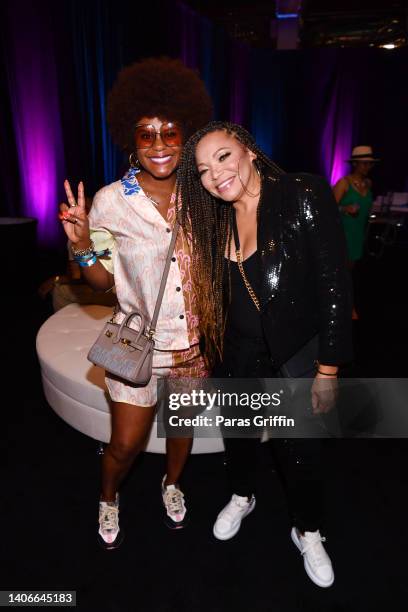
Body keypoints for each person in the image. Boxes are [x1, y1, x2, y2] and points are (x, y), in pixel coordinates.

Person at [176, 121, 353, 588]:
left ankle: (308, 531)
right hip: (237, 356)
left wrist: (328, 369)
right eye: (203, 169)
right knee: (238, 439)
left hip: (294, 356)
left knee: (301, 455)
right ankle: (242, 495)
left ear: (249, 151)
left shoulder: (301, 193)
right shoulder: (214, 219)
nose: (215, 174)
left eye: (223, 157)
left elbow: (335, 285)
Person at [59, 57, 212, 550]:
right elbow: (101, 281)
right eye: (146, 134)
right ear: (131, 139)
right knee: (124, 444)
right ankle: (109, 495)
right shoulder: (110, 201)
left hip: (194, 344)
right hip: (136, 344)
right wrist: (81, 242)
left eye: (170, 131)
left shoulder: (207, 193)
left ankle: (172, 484)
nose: (160, 144)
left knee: (181, 431)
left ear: (186, 134)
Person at [39, 196, 117, 311]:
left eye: (88, 208)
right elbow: (76, 276)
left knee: (58, 292)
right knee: (60, 291)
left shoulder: (113, 228)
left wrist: (57, 279)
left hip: (119, 291)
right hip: (109, 289)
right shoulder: (75, 237)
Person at [332, 145, 379, 319]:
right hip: (344, 234)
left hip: (358, 234)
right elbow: (328, 209)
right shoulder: (344, 183)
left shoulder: (368, 183)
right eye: (364, 163)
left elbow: (366, 209)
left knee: (349, 273)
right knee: (344, 273)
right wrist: (344, 209)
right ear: (355, 164)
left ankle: (342, 306)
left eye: (370, 164)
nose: (367, 167)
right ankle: (347, 308)